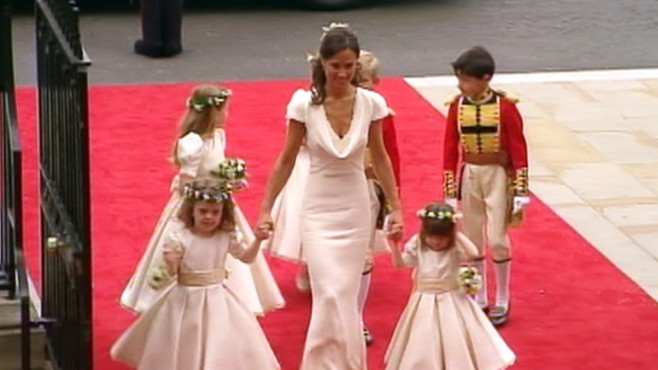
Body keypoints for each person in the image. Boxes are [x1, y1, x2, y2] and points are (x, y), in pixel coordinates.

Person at [255, 23, 404, 370]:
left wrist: (395, 207)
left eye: (349, 66)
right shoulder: (302, 104)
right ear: (322, 63)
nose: (342, 73)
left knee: (346, 293)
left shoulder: (372, 103)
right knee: (329, 293)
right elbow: (287, 158)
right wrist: (265, 209)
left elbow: (381, 156)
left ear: (357, 66)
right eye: (336, 65)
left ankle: (350, 363)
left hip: (355, 208)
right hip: (319, 208)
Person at [120, 84, 284, 315]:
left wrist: (228, 180)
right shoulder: (192, 144)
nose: (226, 115)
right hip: (196, 207)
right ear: (211, 112)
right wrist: (210, 192)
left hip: (218, 203)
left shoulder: (218, 136)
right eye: (224, 110)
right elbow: (187, 184)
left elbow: (215, 165)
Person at [111, 180, 280, 370]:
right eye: (203, 211)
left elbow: (246, 258)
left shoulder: (226, 236)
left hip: (217, 298)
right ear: (192, 210)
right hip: (185, 299)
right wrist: (170, 261)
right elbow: (172, 272)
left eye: (215, 212)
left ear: (223, 213)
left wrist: (257, 240)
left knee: (217, 338)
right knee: (184, 338)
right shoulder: (180, 237)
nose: (209, 217)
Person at [443, 46, 529, 326]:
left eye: (466, 80)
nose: (461, 85)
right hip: (470, 175)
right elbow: (449, 147)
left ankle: (503, 296)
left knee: (498, 239)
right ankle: (479, 294)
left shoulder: (505, 107)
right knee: (473, 238)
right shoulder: (457, 106)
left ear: (486, 78)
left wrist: (520, 189)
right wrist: (448, 190)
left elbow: (518, 147)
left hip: (497, 175)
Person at [385, 202, 516, 370]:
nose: (436, 241)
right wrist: (395, 245)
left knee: (454, 338)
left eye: (442, 237)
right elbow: (400, 264)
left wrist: (457, 233)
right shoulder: (418, 244)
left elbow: (474, 253)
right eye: (432, 236)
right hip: (424, 300)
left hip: (452, 300)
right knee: (423, 338)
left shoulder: (454, 247)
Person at [356, 49, 401, 345]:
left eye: (366, 84)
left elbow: (390, 156)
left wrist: (393, 198)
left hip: (368, 185)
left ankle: (356, 316)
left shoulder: (380, 113)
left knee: (363, 254)